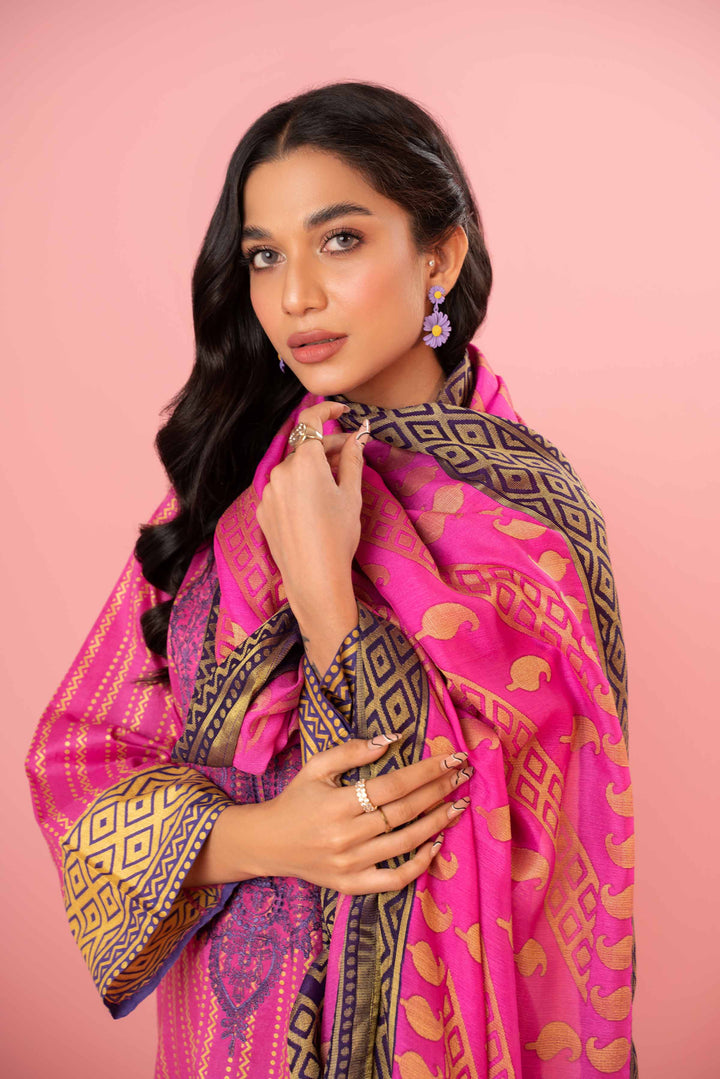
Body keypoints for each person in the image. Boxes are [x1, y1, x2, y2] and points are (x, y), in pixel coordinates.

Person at [25, 80, 637, 1078]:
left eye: (340, 240)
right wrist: (260, 836)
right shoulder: (224, 492)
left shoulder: (530, 516)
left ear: (439, 256)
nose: (294, 296)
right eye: (265, 255)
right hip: (226, 1041)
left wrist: (324, 599)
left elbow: (490, 821)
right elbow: (79, 756)